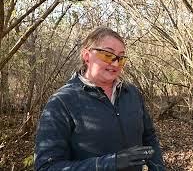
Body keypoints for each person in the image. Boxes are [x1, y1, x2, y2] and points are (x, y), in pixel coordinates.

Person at [34, 27, 165, 171]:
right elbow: (47, 167)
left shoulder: (131, 92)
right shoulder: (62, 102)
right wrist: (110, 163)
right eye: (108, 55)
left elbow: (149, 137)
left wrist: (157, 167)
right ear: (86, 56)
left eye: (120, 58)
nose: (115, 63)